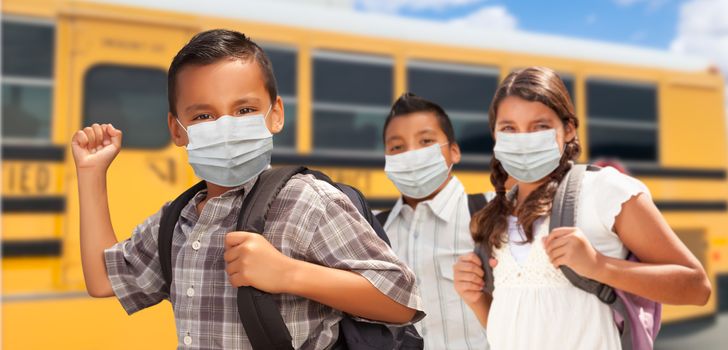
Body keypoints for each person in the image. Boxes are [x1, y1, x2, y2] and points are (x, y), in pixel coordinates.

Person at [71, 29, 423, 349]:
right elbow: (104, 280)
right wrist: (91, 175)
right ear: (177, 130)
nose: (226, 126)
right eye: (203, 116)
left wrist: (289, 274)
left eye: (245, 109)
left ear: (275, 114)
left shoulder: (307, 201)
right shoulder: (177, 221)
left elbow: (402, 300)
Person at [453, 66, 711, 350]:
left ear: (568, 129)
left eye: (540, 126)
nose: (523, 138)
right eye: (509, 128)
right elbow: (513, 329)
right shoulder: (494, 213)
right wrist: (476, 299)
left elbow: (697, 288)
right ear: (495, 136)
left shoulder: (606, 191)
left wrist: (599, 266)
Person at [379, 92, 490, 350]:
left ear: (454, 151)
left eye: (426, 141)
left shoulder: (490, 214)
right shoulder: (375, 231)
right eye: (397, 147)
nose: (411, 154)